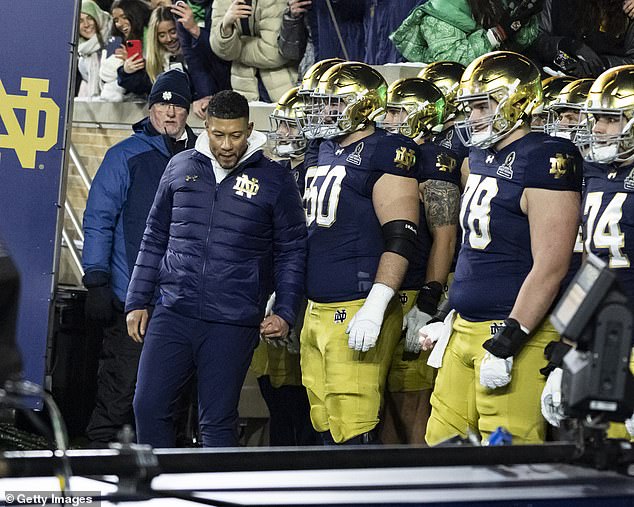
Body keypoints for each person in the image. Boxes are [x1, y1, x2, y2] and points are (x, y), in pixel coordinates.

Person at [126, 90, 307, 448]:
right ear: (205, 127)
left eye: (236, 135)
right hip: (173, 311)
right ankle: (161, 497)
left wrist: (286, 310)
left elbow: (291, 250)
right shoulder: (179, 167)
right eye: (219, 134)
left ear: (250, 129)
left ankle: (214, 498)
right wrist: (137, 300)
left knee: (217, 421)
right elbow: (155, 236)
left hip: (233, 319)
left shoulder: (275, 179)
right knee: (147, 407)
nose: (227, 145)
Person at [421, 51, 582, 446]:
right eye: (470, 107)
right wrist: (448, 311)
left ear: (517, 101)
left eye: (481, 106)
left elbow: (551, 264)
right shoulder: (481, 155)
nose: (472, 117)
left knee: (509, 456)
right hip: (464, 328)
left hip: (515, 332)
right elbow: (476, 250)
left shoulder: (545, 156)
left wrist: (511, 338)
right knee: (439, 446)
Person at [300, 62, 420, 445]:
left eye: (330, 103)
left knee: (354, 429)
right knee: (324, 425)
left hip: (356, 305)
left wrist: (376, 304)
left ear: (361, 105)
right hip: (316, 306)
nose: (320, 111)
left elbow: (402, 236)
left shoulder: (386, 150)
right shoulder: (323, 149)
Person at [81, 69, 196, 446]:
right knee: (119, 392)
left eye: (177, 104)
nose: (170, 111)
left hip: (182, 304)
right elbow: (99, 218)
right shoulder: (124, 156)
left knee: (171, 400)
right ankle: (95, 470)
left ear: (187, 111)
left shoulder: (204, 158)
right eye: (163, 103)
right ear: (150, 108)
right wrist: (96, 277)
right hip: (130, 299)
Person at [542, 65, 634, 439]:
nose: (596, 128)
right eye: (596, 118)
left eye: (609, 119)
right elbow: (588, 273)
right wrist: (566, 358)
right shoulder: (596, 171)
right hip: (603, 338)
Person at [378, 77, 461, 444]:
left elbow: (444, 237)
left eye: (397, 111)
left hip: (413, 291)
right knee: (378, 402)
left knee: (411, 400)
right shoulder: (384, 152)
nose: (388, 118)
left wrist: (429, 300)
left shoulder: (434, 161)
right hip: (383, 289)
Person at [247, 87, 317, 446]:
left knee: (300, 390)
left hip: (304, 287)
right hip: (272, 284)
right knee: (271, 383)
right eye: (283, 125)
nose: (283, 134)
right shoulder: (273, 171)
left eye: (292, 126)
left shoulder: (320, 172)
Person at [390, 0, 541, 66]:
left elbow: (517, 47)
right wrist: (497, 34)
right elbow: (451, 62)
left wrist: (524, 20)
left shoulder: (496, 2)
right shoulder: (442, 8)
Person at [210, 0, 297, 102]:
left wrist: (236, 48)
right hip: (242, 87)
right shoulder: (222, 2)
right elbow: (219, 49)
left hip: (282, 83)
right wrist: (226, 26)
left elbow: (274, 53)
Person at [534, 0, 634, 79]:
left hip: (605, 92)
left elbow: (631, 60)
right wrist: (568, 46)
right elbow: (537, 40)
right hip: (554, 82)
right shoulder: (556, 3)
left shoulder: (628, 9)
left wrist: (602, 64)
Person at [170, 0, 231, 119]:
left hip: (233, 79)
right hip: (211, 85)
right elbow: (193, 61)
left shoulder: (223, 4)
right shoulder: (182, 10)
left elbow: (226, 53)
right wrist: (206, 97)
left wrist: (195, 30)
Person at [117, 6, 188, 97]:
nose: (169, 39)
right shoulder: (154, 63)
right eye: (162, 35)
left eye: (173, 32)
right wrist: (126, 72)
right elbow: (138, 86)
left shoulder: (195, 55)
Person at [99, 0, 152, 101]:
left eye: (124, 17)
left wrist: (140, 63)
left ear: (136, 14)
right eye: (116, 20)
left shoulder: (151, 36)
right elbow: (105, 74)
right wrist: (125, 67)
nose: (119, 24)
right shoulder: (117, 41)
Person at [77, 0, 113, 99]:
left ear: (98, 17)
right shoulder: (82, 51)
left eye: (90, 18)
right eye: (80, 21)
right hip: (97, 106)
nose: (86, 24)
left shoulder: (114, 41)